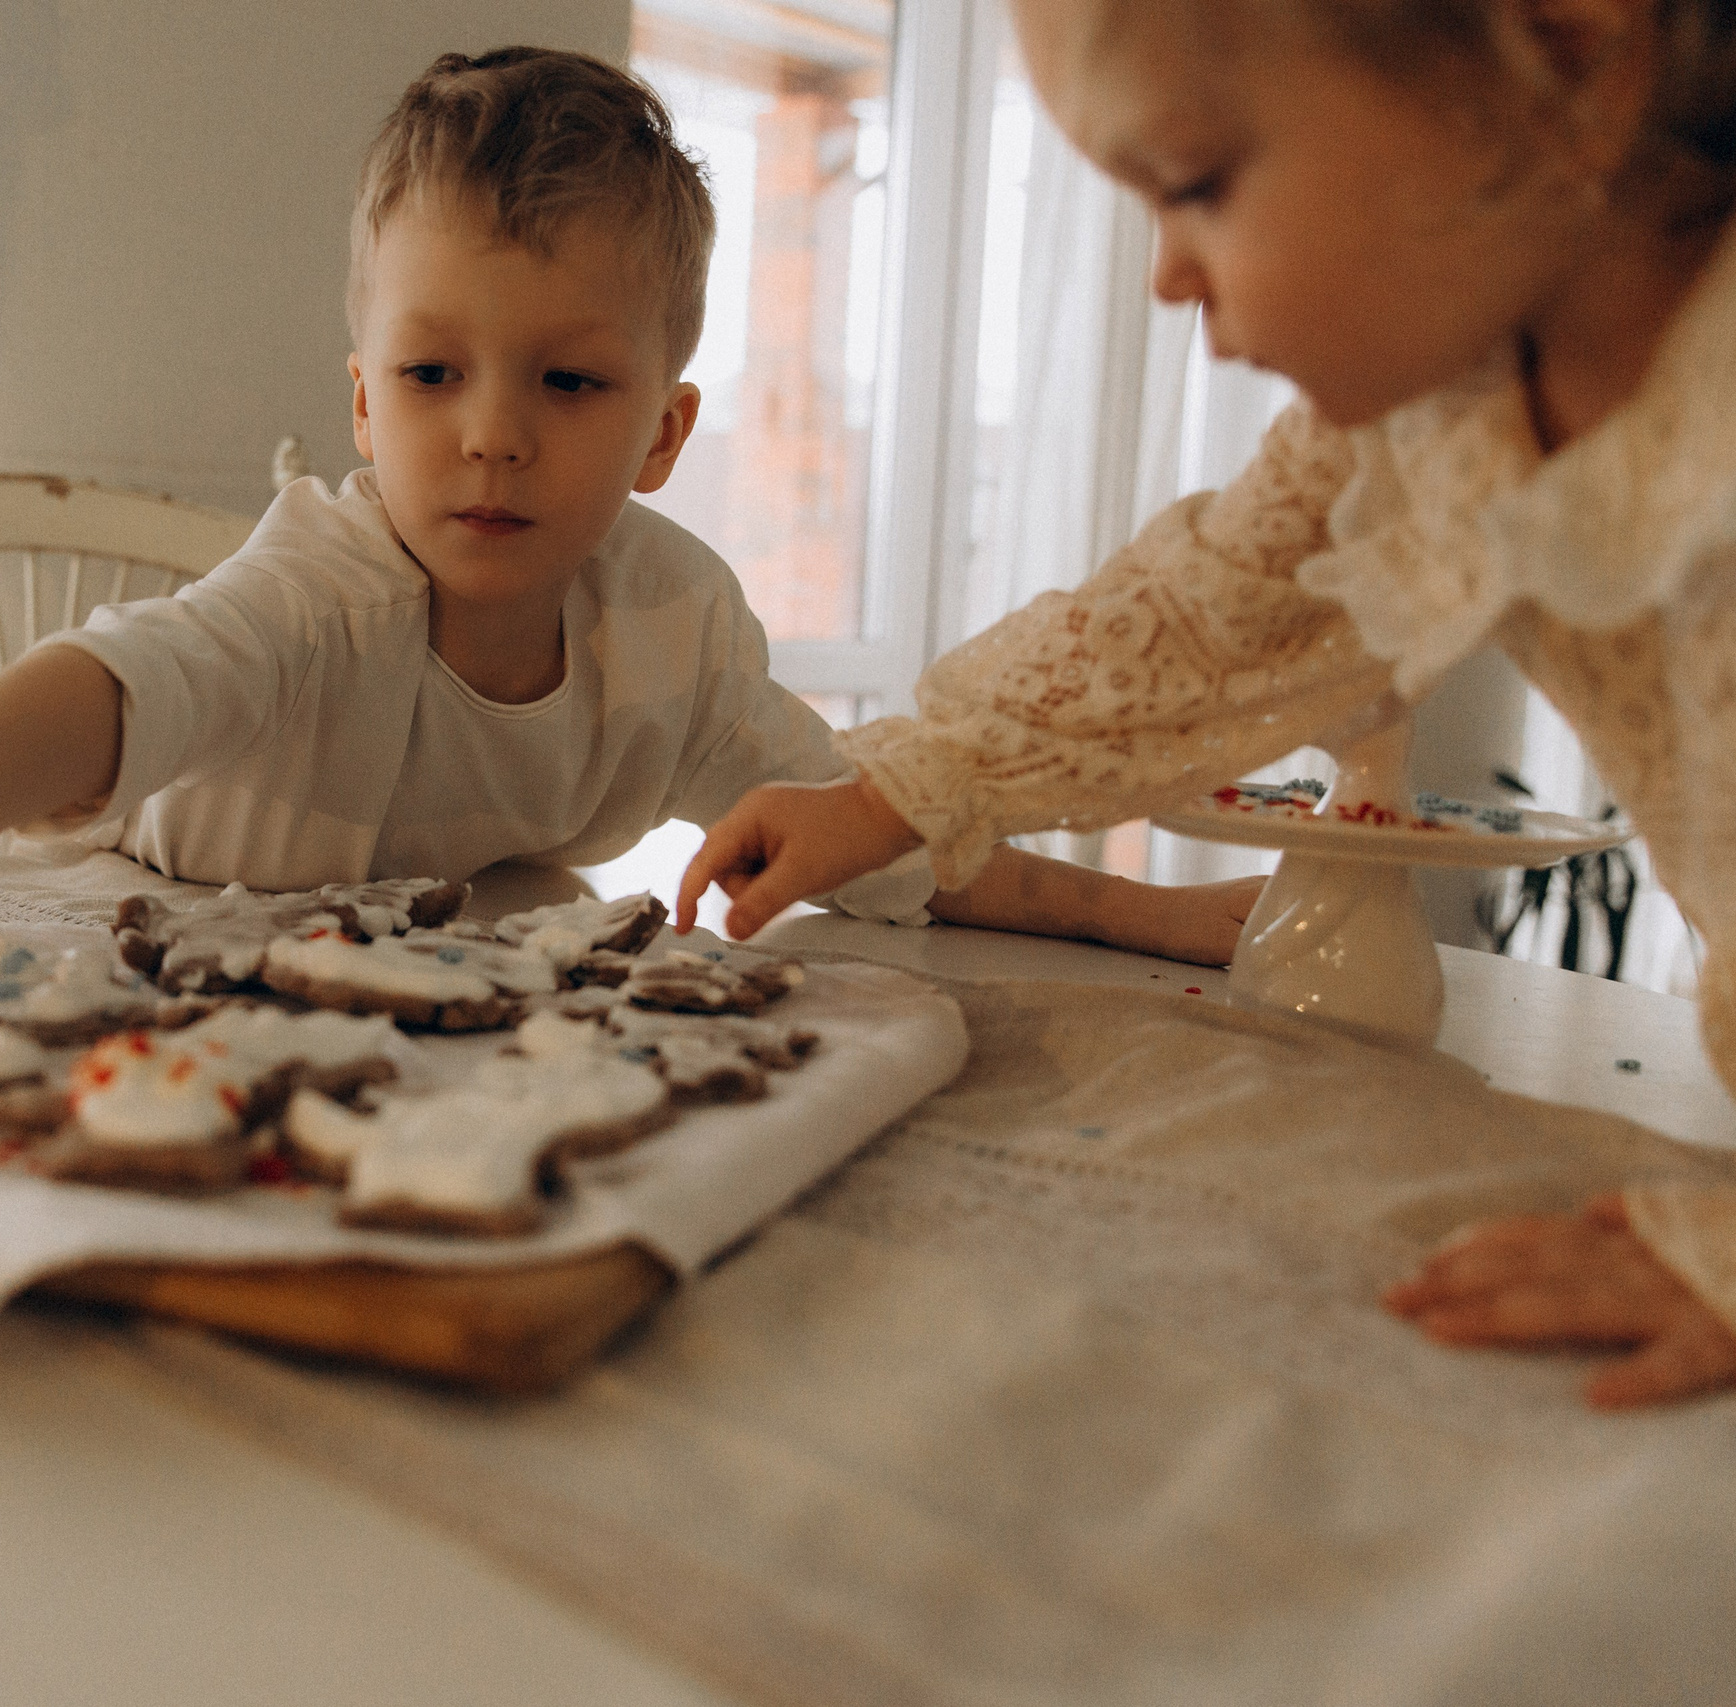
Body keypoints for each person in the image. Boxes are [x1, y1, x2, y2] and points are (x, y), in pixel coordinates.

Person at [677, 0, 1736, 1407]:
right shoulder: (1433, 415)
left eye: (1194, 186)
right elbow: (1191, 621)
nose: (1166, 276)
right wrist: (892, 792)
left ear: (1567, 51)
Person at [0, 47, 1261, 971]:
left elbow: (877, 832)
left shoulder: (675, 630)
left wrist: (1170, 921)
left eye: (569, 384)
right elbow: (140, 677)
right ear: (360, 405)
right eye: (428, 372)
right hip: (143, 924)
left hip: (423, 987)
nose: (490, 438)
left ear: (665, 432)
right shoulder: (322, 590)